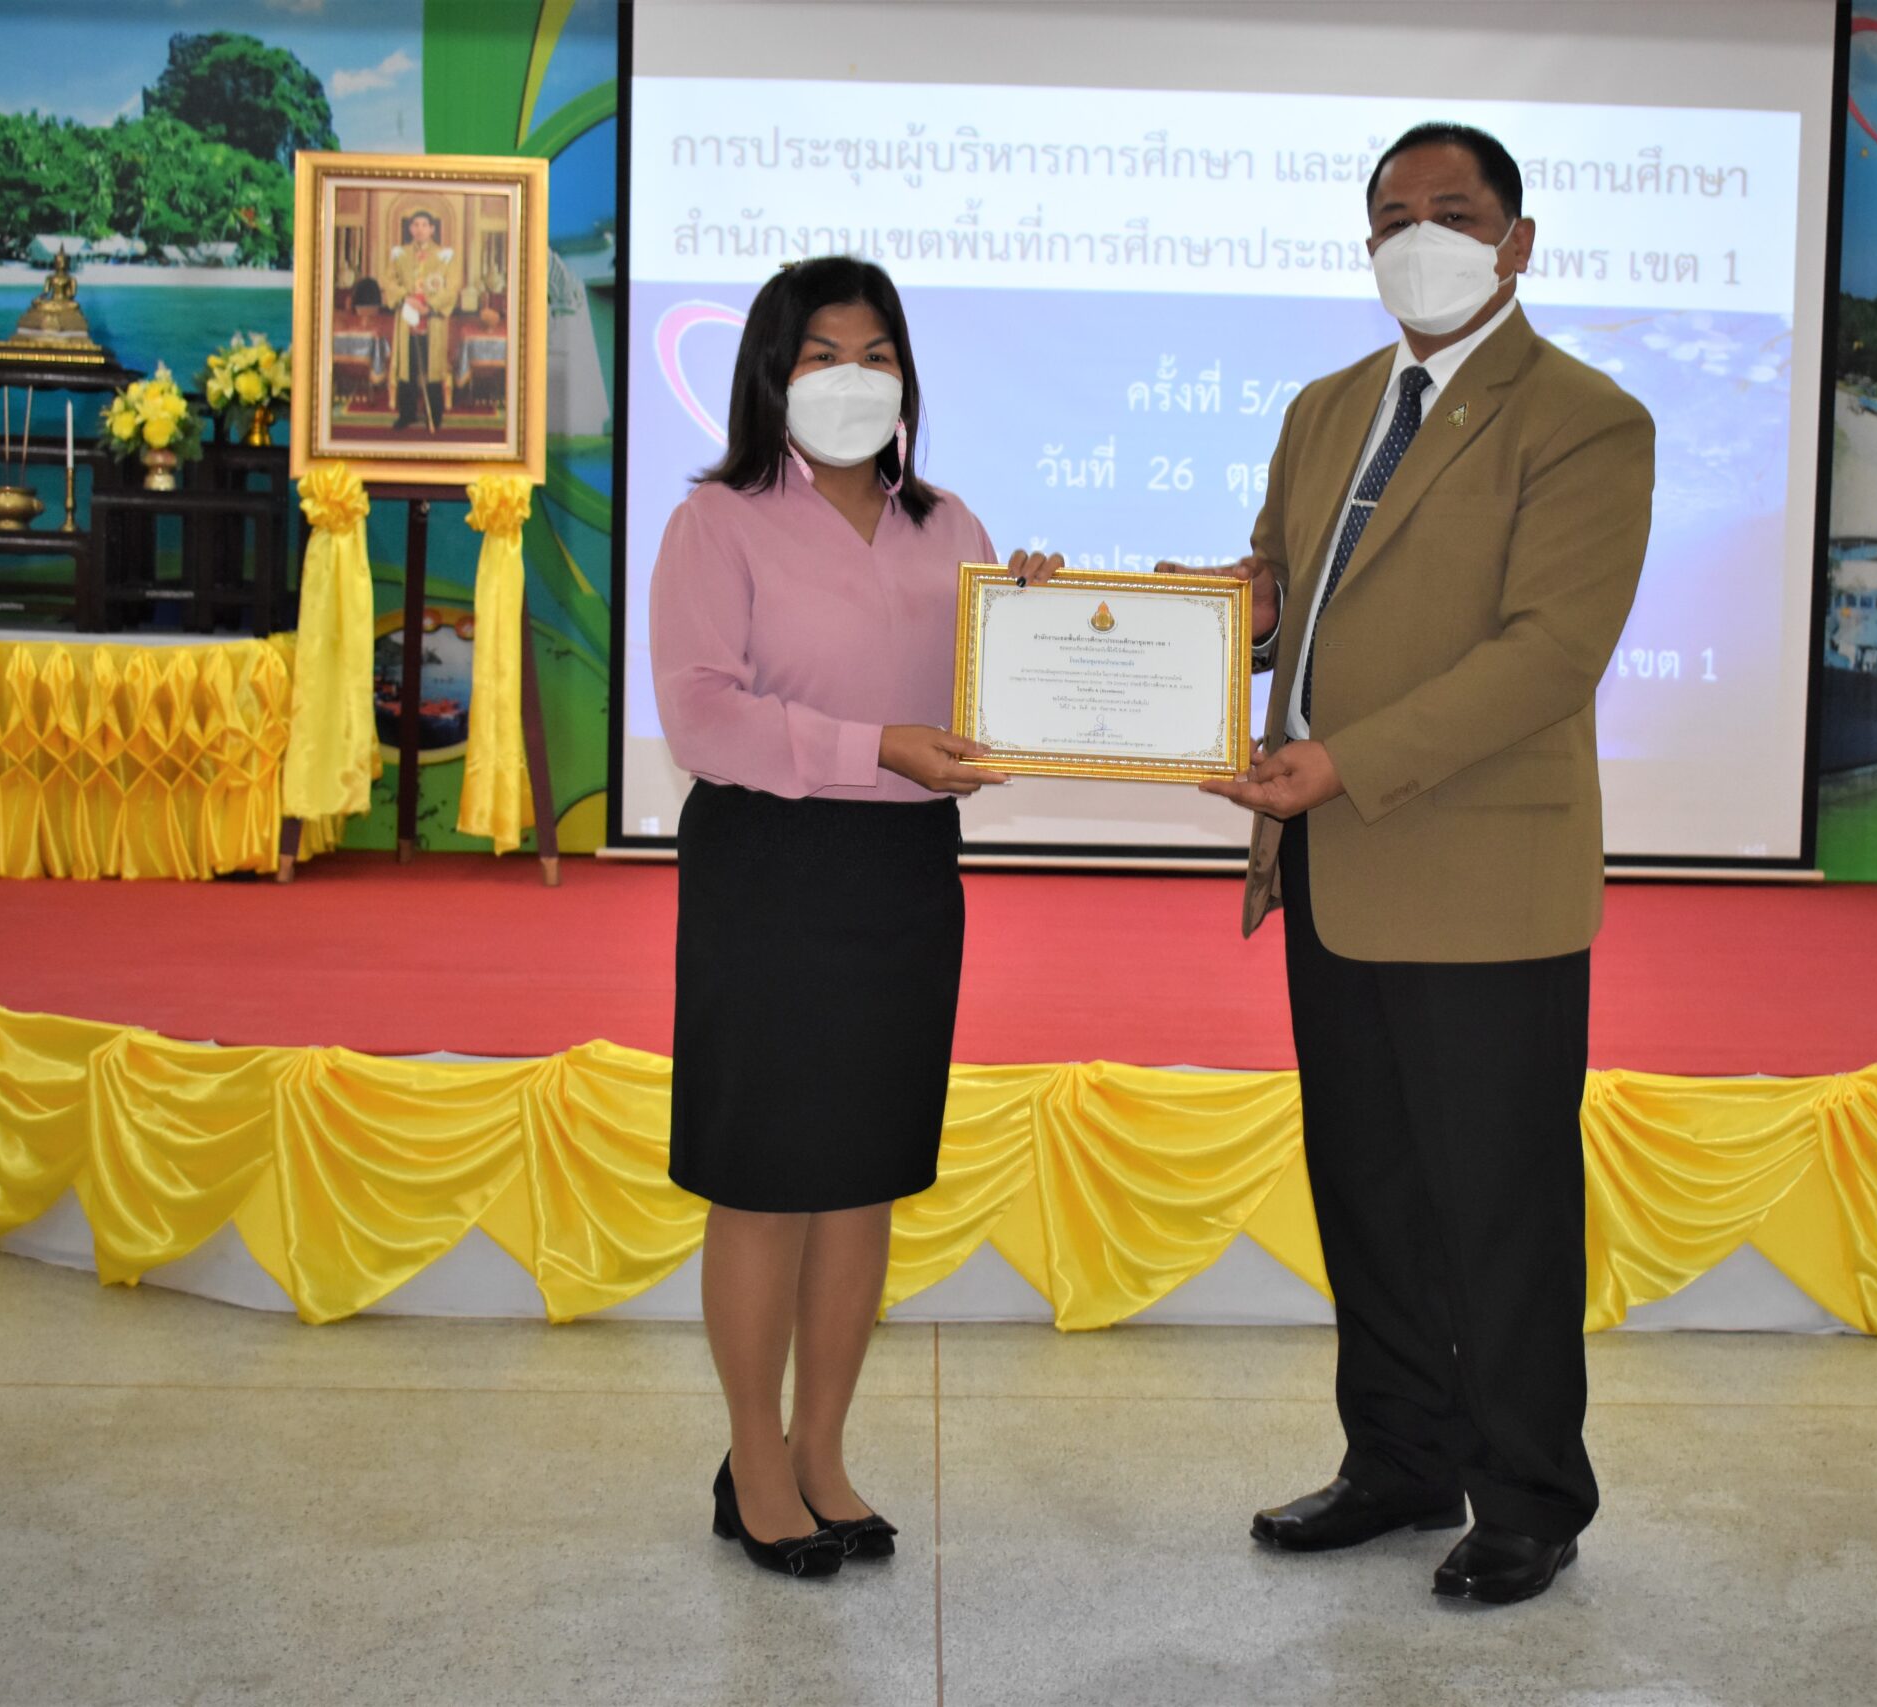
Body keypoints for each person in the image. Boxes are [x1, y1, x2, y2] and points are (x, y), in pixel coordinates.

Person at [1170, 123, 1654, 1606]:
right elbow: (1283, 594)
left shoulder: (1585, 421)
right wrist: (1199, 621)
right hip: (1331, 868)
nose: (1418, 238)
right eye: (1393, 216)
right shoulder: (1327, 409)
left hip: (1481, 882)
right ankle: (1397, 1458)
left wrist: (1345, 760)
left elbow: (1548, 655)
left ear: (1518, 241)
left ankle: (1530, 1493)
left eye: (1452, 212)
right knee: (1368, 1187)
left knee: (1497, 1203)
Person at [648, 256, 1061, 1580]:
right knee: (767, 1178)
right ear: (771, 375)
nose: (852, 376)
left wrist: (1049, 627)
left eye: (876, 353)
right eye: (822, 353)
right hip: (770, 866)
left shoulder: (951, 524)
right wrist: (872, 745)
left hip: (901, 870)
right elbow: (702, 715)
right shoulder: (716, 522)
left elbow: (991, 701)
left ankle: (821, 1448)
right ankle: (752, 1460)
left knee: (862, 1173)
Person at [385, 211, 457, 432]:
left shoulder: (444, 256)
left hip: (432, 320)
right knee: (407, 368)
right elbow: (389, 282)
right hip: (407, 318)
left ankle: (434, 415)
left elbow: (451, 287)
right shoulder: (400, 255)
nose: (420, 229)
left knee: (432, 368)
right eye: (415, 224)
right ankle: (406, 414)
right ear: (410, 229)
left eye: (425, 225)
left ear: (432, 229)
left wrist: (429, 306)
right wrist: (405, 298)